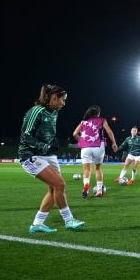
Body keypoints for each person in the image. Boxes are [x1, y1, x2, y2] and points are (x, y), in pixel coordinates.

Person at [20, 84, 84, 233]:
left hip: (49, 156)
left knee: (54, 189)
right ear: (54, 97)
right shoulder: (37, 111)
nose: (64, 103)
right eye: (63, 100)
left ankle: (36, 224)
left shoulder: (54, 112)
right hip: (30, 156)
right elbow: (26, 136)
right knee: (60, 184)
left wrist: (52, 143)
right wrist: (45, 147)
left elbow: (46, 133)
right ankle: (69, 220)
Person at [72, 105, 118, 198]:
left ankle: (86, 186)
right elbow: (109, 131)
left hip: (85, 148)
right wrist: (114, 143)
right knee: (98, 169)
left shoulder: (83, 122)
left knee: (86, 170)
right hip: (98, 146)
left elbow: (74, 134)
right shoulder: (102, 120)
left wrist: (82, 141)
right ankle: (99, 190)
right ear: (98, 113)